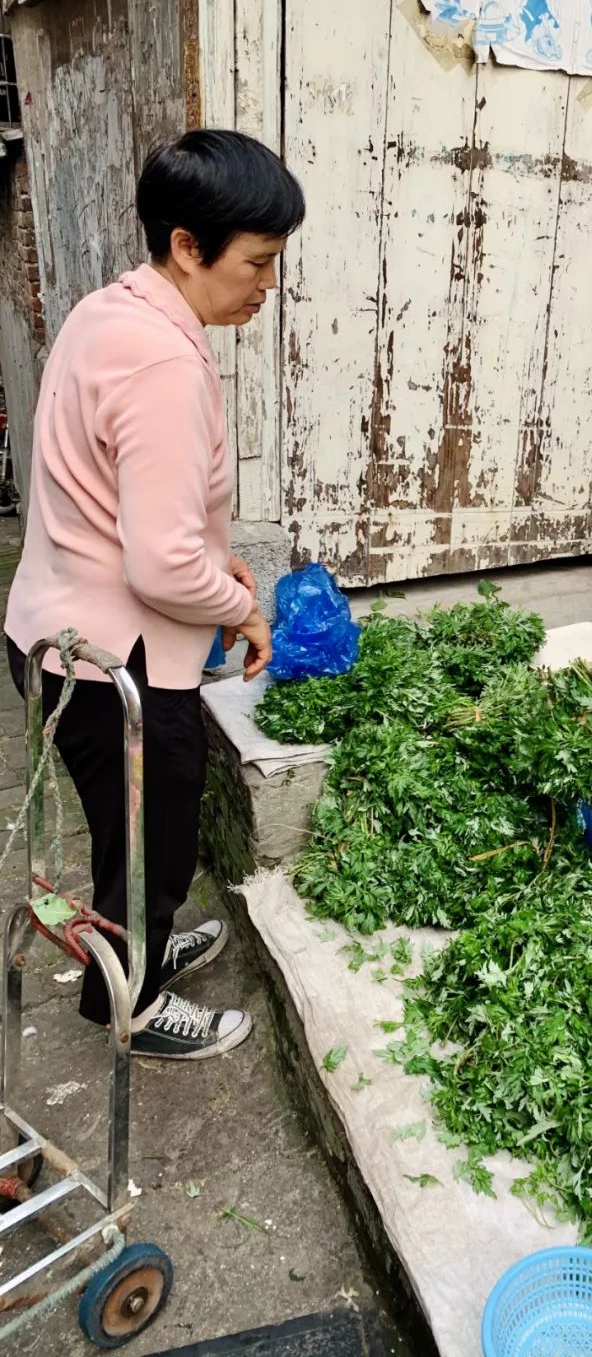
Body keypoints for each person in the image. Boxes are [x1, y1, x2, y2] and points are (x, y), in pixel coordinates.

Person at [5, 129, 305, 1057]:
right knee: (148, 841)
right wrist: (241, 607)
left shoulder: (110, 313)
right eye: (255, 264)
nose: (266, 285)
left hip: (54, 631)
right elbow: (163, 564)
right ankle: (128, 1006)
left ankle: (153, 944)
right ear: (187, 245)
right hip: (114, 668)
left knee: (133, 834)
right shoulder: (169, 364)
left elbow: (132, 505)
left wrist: (221, 562)